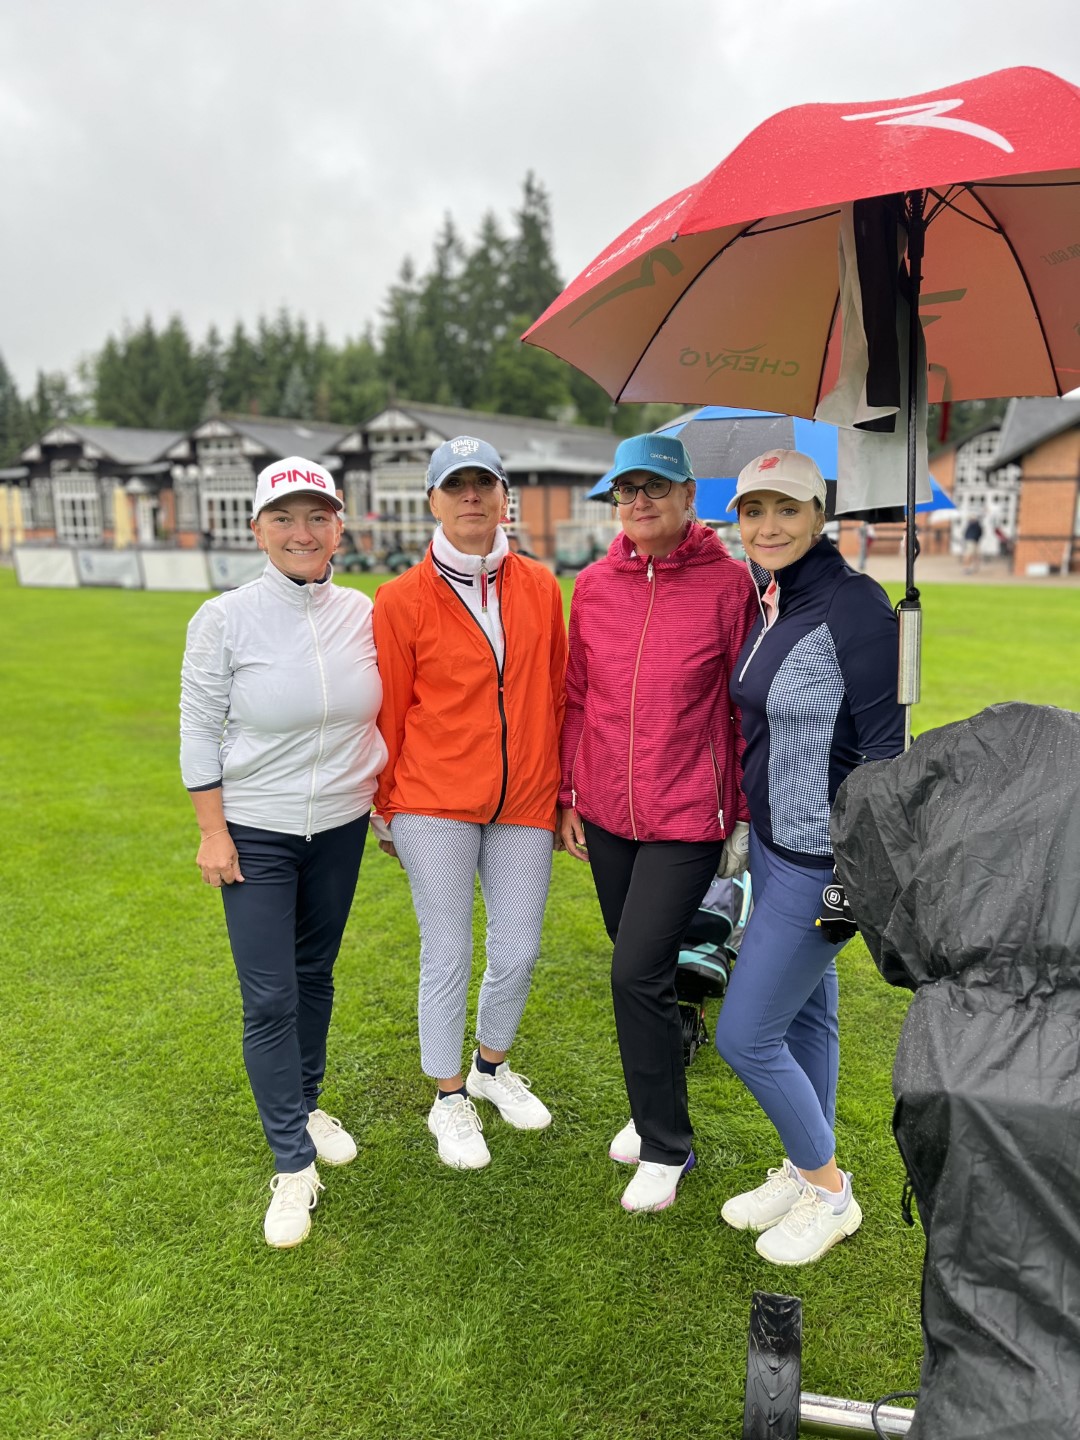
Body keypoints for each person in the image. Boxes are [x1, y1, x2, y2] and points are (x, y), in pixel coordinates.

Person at [180, 456, 386, 1249]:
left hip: (339, 824)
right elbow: (199, 726)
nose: (303, 532)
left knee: (314, 973)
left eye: (317, 516)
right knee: (269, 997)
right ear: (258, 530)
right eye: (285, 518)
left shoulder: (361, 611)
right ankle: (292, 1163)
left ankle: (304, 1102)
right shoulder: (224, 617)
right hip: (255, 831)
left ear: (339, 526)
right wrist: (212, 829)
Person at [558, 432, 759, 1214]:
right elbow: (579, 697)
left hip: (688, 816)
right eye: (627, 490)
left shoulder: (729, 585)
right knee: (642, 969)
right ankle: (653, 1108)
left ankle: (667, 1144)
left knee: (635, 971)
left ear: (688, 497)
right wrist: (572, 793)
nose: (639, 502)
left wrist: (743, 812)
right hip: (608, 812)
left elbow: (746, 708)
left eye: (655, 487)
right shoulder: (593, 586)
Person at [715, 449, 904, 1266]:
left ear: (820, 515)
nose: (768, 525)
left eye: (786, 509)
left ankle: (829, 1192)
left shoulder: (855, 606)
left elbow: (889, 754)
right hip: (773, 847)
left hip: (826, 864)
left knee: (745, 1035)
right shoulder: (776, 596)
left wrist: (859, 874)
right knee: (806, 1017)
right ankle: (803, 1169)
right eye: (753, 510)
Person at [372, 436, 566, 1170]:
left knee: (518, 950)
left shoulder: (540, 585)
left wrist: (560, 792)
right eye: (456, 485)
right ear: (433, 500)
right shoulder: (400, 598)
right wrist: (385, 808)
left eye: (484, 482)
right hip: (432, 799)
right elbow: (389, 708)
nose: (472, 496)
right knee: (448, 950)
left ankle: (490, 1068)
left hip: (525, 796)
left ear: (504, 495)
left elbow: (557, 691)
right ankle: (448, 1096)